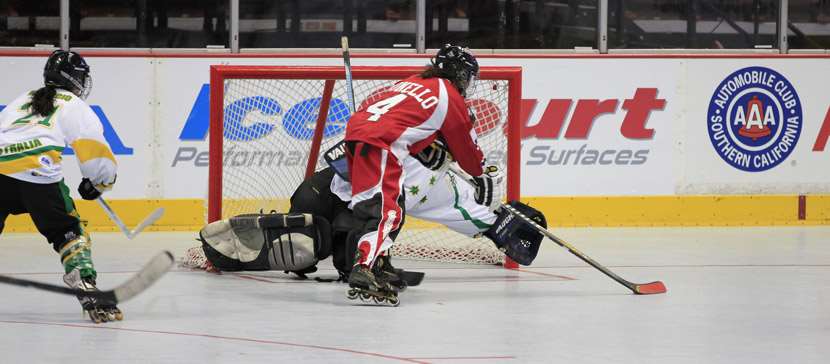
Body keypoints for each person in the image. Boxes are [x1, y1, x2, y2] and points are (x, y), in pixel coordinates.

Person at [341, 44, 488, 304]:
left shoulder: (413, 81)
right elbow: (469, 158)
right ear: (460, 74)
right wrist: (481, 173)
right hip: (381, 143)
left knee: (385, 205)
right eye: (468, 76)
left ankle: (379, 264)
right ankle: (363, 266)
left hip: (357, 136)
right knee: (388, 212)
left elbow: (409, 122)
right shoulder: (450, 97)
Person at [0, 50, 120, 323]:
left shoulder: (24, 98)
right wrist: (100, 182)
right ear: (75, 79)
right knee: (67, 231)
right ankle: (85, 284)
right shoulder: (74, 105)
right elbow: (95, 151)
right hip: (37, 176)